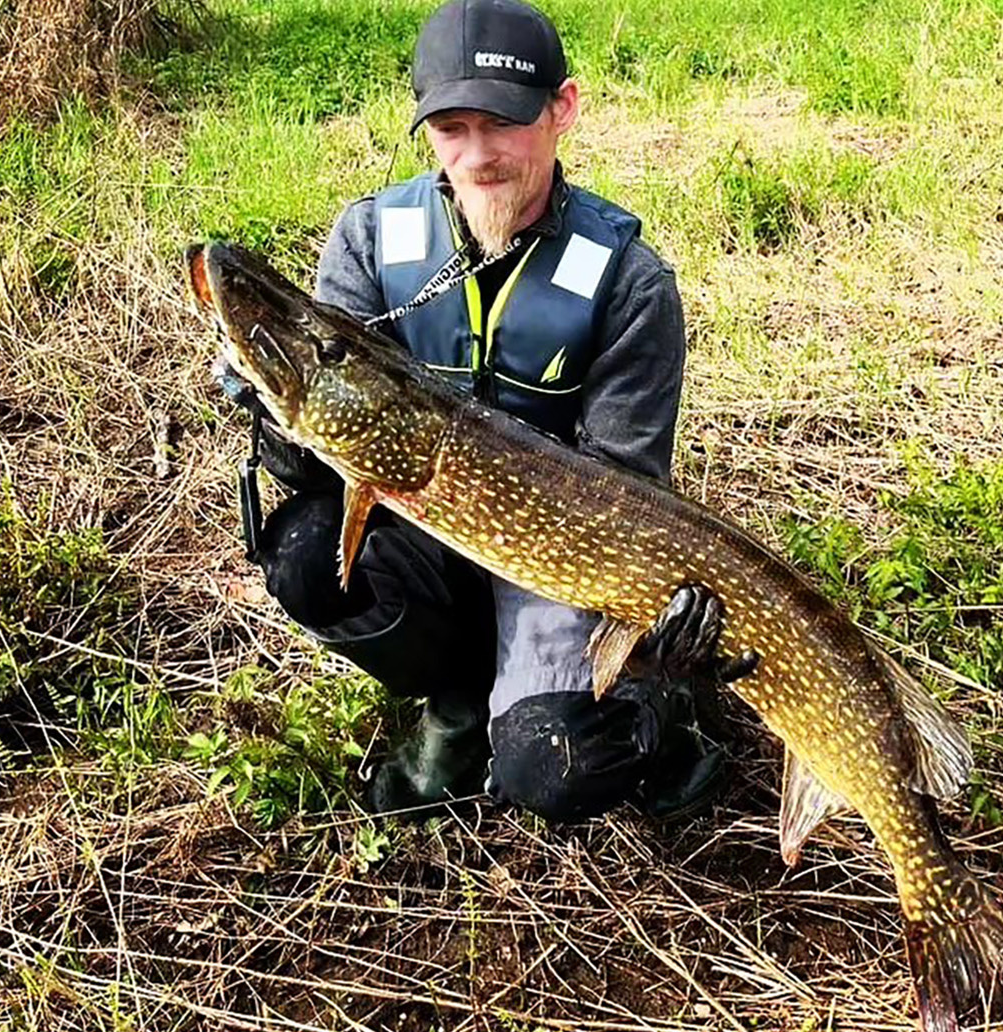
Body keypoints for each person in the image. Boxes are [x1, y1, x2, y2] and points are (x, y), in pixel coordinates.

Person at [216, 0, 755, 823]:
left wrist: (656, 635)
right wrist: (273, 416)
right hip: (432, 525)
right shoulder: (370, 241)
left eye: (502, 122)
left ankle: (661, 713)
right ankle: (462, 702)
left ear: (562, 109)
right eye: (451, 128)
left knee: (554, 766)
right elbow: (326, 439)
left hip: (568, 560)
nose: (478, 156)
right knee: (304, 556)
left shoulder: (630, 283)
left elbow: (625, 500)